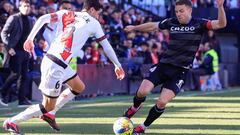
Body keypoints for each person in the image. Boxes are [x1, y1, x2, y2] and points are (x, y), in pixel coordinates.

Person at [2, 0, 125, 134]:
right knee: (47, 106)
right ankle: (12, 122)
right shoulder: (93, 22)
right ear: (91, 10)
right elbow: (106, 46)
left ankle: (50, 114)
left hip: (57, 61)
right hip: (55, 66)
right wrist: (117, 65)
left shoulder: (67, 13)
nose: (98, 17)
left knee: (79, 87)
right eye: (98, 14)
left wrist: (30, 38)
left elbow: (43, 18)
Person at [122, 0, 226, 134]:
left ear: (190, 10)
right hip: (163, 66)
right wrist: (134, 28)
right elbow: (153, 26)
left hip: (180, 71)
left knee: (161, 102)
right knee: (142, 92)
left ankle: (143, 127)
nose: (178, 14)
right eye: (176, 11)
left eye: (181, 11)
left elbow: (221, 24)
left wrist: (220, 7)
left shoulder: (200, 23)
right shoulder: (171, 22)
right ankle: (135, 107)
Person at [0, 0, 34, 107]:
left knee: (24, 76)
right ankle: (2, 93)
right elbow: (4, 33)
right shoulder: (13, 18)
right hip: (15, 51)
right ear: (19, 7)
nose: (27, 8)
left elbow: (29, 37)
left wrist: (30, 50)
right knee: (15, 74)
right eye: (24, 6)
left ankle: (22, 100)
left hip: (25, 51)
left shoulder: (30, 20)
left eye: (28, 6)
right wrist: (9, 47)